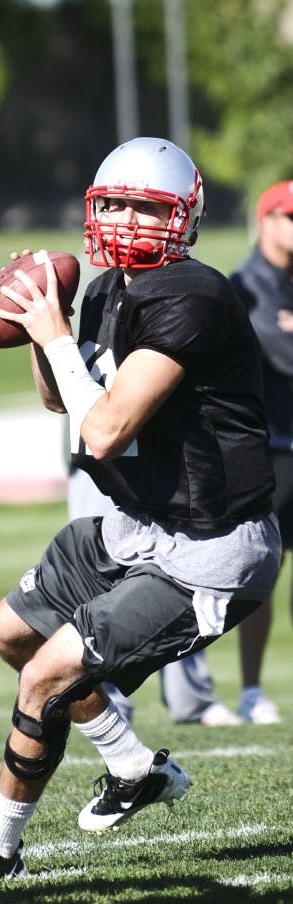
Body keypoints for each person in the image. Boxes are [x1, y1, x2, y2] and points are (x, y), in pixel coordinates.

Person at [0, 137, 280, 887]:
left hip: (209, 544)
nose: (125, 220)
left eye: (146, 208)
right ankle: (133, 766)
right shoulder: (111, 291)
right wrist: (41, 332)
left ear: (184, 219)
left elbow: (106, 426)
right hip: (135, 524)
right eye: (112, 203)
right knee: (10, 632)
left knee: (45, 677)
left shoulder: (193, 294)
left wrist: (53, 334)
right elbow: (63, 399)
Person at [67, 463, 243, 727]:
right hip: (97, 457)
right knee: (99, 570)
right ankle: (106, 699)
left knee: (181, 563)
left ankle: (192, 699)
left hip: (162, 453)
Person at [229, 181, 293, 725]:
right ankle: (251, 690)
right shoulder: (245, 288)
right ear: (265, 219)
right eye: (290, 216)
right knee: (261, 575)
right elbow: (282, 353)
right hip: (270, 452)